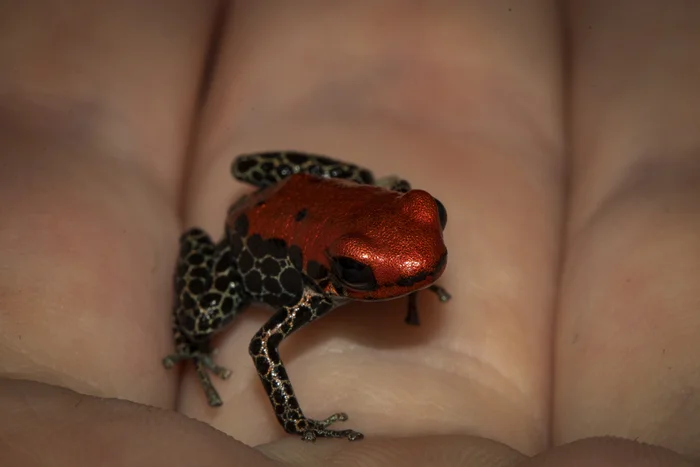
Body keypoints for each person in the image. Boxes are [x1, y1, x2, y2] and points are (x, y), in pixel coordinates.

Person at [1, 2, 698, 466]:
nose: (427, 263)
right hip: (252, 238)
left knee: (376, 211)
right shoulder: (308, 289)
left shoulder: (394, 241)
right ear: (341, 275)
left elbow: (401, 242)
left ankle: (378, 213)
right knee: (212, 316)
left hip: (305, 199)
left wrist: (400, 264)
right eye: (372, 274)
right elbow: (261, 343)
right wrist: (296, 426)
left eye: (429, 221)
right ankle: (189, 334)